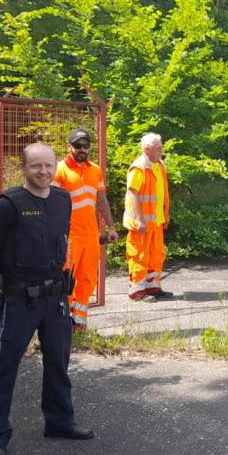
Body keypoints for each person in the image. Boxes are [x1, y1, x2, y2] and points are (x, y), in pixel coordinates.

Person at [0, 143, 93, 455]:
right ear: (23, 168)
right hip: (19, 300)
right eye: (36, 166)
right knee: (6, 368)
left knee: (58, 362)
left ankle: (59, 423)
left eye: (48, 166)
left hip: (55, 299)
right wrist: (16, 287)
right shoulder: (9, 205)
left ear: (55, 167)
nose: (43, 172)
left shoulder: (62, 200)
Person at [53, 128, 118, 327]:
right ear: (69, 147)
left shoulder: (95, 170)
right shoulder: (60, 169)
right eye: (78, 145)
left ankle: (79, 322)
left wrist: (111, 227)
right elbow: (52, 202)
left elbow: (101, 201)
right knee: (67, 278)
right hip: (69, 234)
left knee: (88, 278)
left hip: (90, 234)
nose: (82, 149)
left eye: (86, 146)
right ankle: (62, 321)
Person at [122, 133, 171, 301]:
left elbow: (160, 194)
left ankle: (152, 287)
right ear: (147, 150)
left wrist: (165, 214)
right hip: (142, 223)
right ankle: (136, 290)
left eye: (161, 147)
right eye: (158, 148)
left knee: (156, 254)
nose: (161, 151)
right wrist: (139, 219)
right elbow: (132, 193)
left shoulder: (159, 165)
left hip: (155, 221)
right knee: (139, 255)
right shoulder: (139, 167)